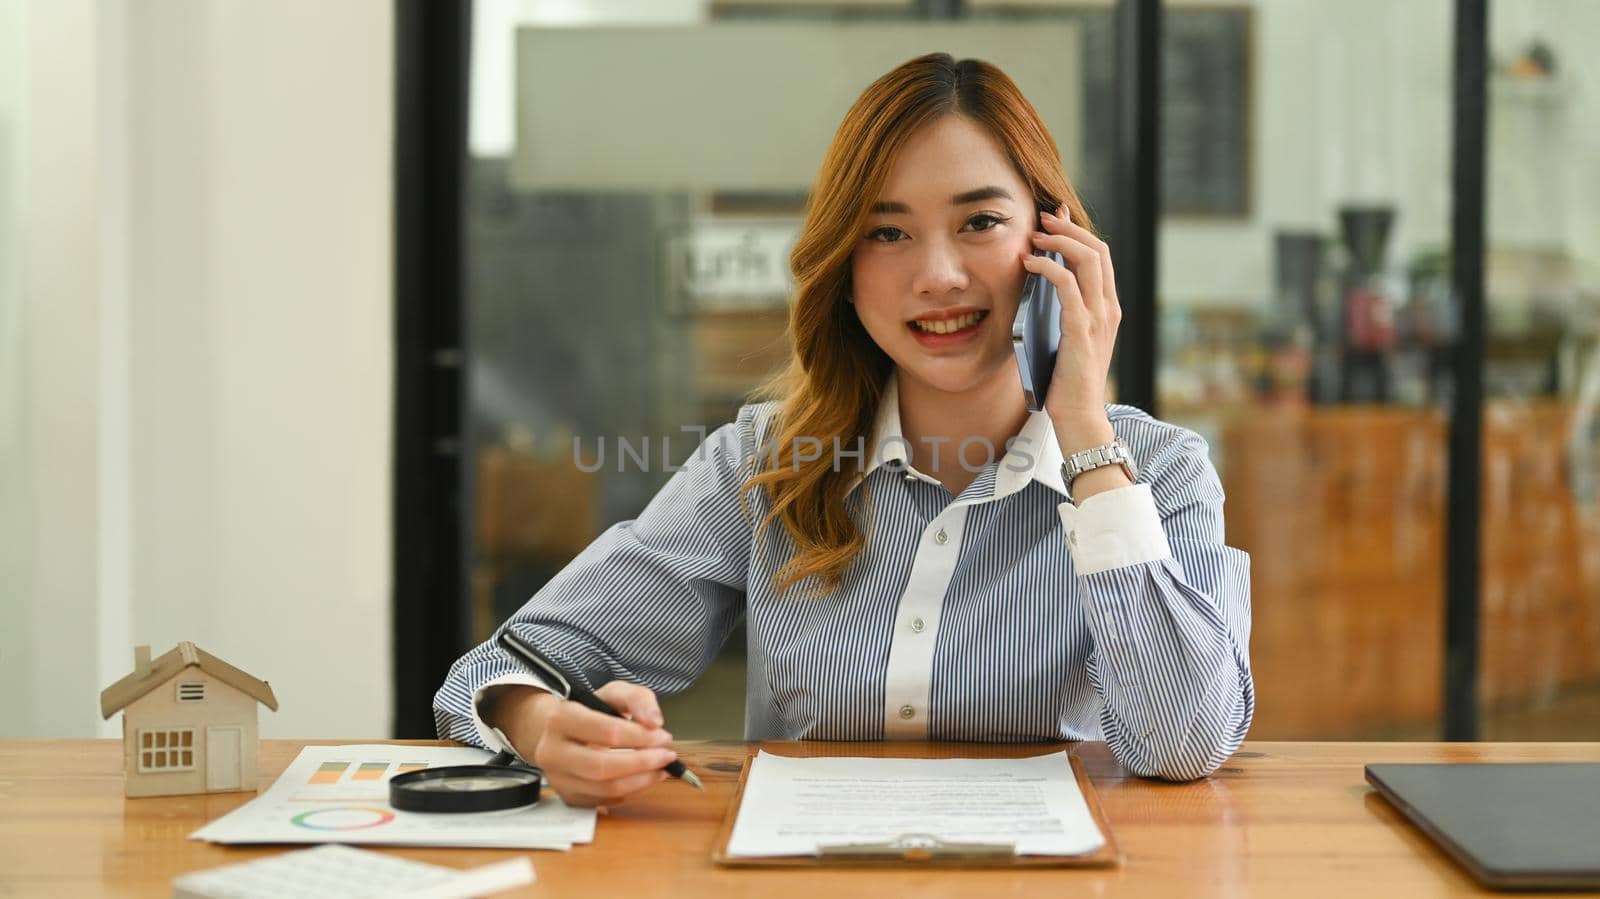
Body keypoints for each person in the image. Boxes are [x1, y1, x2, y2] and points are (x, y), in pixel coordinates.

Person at [434, 52, 1253, 807]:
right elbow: (502, 664)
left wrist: (1083, 428)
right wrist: (543, 727)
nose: (937, 276)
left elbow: (1182, 745)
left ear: (1057, 248)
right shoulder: (763, 462)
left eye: (979, 223)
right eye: (887, 232)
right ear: (846, 270)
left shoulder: (1160, 471)